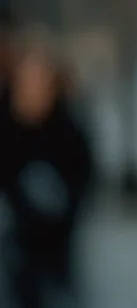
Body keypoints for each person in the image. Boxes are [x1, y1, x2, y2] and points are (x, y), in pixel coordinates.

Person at [0, 41, 94, 307]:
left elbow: (84, 175)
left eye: (40, 82)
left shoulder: (68, 129)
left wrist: (65, 207)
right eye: (27, 82)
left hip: (59, 240)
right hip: (16, 243)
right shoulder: (6, 129)